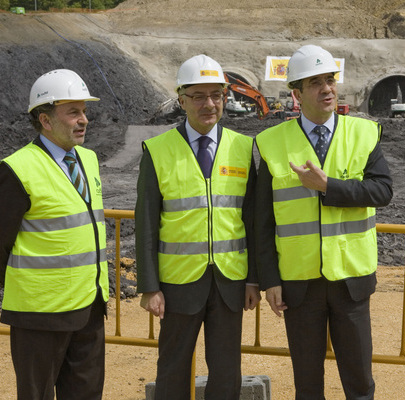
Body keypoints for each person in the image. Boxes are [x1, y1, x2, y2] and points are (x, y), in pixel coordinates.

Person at [255, 45, 393, 400]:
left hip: (351, 281)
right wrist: (268, 279)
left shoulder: (364, 134)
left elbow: (382, 191)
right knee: (307, 384)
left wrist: (329, 187)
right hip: (300, 285)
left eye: (330, 80)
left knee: (359, 382)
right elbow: (262, 221)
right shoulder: (271, 144)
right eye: (315, 82)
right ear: (296, 94)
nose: (327, 88)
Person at [136, 54, 260, 400]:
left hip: (229, 282)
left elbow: (251, 219)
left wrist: (253, 278)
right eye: (199, 96)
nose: (209, 104)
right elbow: (146, 221)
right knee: (173, 371)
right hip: (177, 284)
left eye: (216, 95)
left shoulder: (244, 148)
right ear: (182, 101)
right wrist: (149, 286)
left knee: (226, 373)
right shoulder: (158, 151)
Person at [0, 69, 109, 400]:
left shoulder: (88, 160)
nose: (83, 120)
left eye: (84, 111)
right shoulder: (17, 169)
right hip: (40, 315)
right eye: (73, 112)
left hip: (89, 306)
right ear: (46, 120)